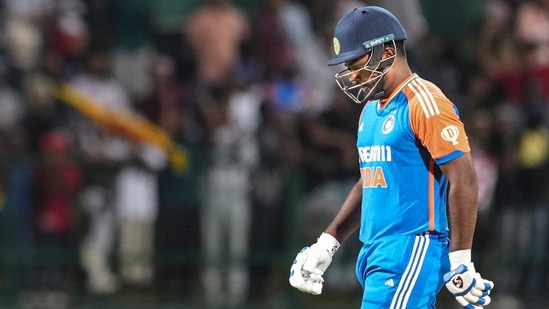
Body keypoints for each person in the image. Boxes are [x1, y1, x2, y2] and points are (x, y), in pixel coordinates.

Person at [288, 6, 494, 308]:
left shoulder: (425, 101)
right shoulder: (371, 111)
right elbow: (371, 180)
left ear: (385, 52)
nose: (352, 74)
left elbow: (464, 177)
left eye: (355, 62)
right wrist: (327, 243)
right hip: (375, 251)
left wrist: (461, 258)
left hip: (411, 247)